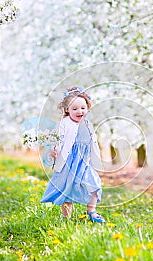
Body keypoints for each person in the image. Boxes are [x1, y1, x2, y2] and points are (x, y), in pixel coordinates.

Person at [41, 86, 105, 223]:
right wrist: (54, 150)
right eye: (74, 109)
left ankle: (92, 211)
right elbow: (58, 138)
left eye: (83, 108)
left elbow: (92, 141)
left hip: (84, 162)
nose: (79, 111)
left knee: (94, 185)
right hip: (69, 162)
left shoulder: (88, 123)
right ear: (67, 110)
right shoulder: (65, 123)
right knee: (67, 190)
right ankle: (66, 218)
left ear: (87, 108)